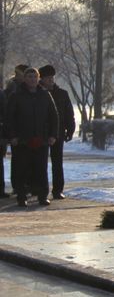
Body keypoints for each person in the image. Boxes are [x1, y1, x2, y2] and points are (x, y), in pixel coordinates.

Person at [6, 68, 58, 207]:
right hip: (22, 141)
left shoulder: (45, 94)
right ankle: (21, 197)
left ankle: (42, 196)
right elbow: (9, 118)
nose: (32, 79)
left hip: (41, 140)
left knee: (41, 170)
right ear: (24, 78)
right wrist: (13, 136)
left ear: (38, 78)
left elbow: (53, 116)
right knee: (21, 170)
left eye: (35, 77)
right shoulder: (16, 95)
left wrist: (53, 135)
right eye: (29, 77)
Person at [38, 66, 76, 199]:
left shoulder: (62, 94)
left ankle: (57, 189)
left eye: (52, 78)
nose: (51, 80)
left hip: (58, 132)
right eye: (47, 78)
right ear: (41, 79)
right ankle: (39, 189)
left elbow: (68, 114)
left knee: (57, 163)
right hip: (40, 133)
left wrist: (70, 130)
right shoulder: (37, 93)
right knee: (39, 163)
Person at [2, 65, 27, 199]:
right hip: (14, 130)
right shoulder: (11, 91)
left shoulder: (33, 90)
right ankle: (18, 186)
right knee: (17, 160)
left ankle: (24, 186)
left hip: (26, 130)